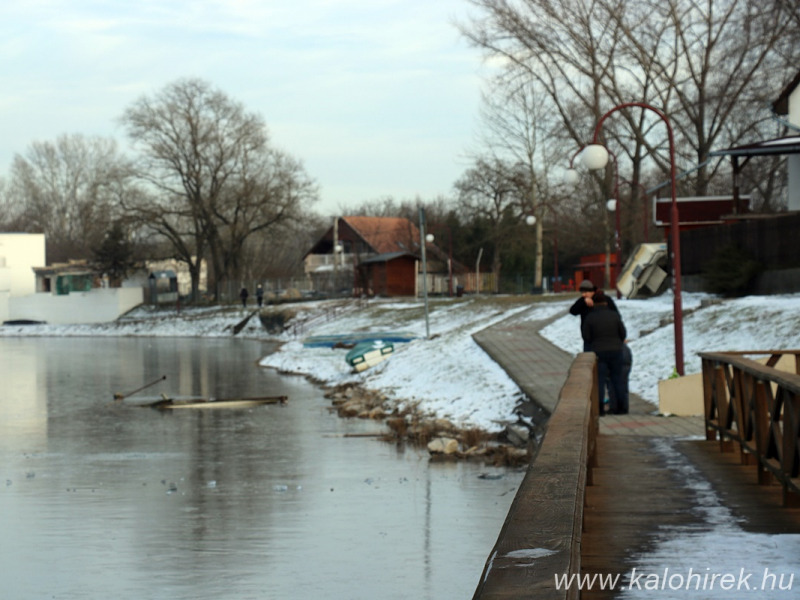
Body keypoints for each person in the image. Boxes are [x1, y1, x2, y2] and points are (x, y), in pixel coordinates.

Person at [581, 292, 628, 416]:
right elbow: (623, 333)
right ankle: (621, 408)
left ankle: (600, 409)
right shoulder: (614, 315)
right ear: (606, 303)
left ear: (594, 304)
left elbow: (586, 336)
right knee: (617, 379)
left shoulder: (590, 317)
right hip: (616, 351)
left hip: (599, 352)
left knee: (599, 381)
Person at [569, 279, 619, 351]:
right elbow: (573, 311)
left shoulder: (605, 299)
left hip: (605, 338)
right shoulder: (583, 300)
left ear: (592, 291)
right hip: (589, 339)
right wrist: (583, 302)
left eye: (585, 292)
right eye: (582, 292)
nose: (583, 294)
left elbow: (616, 315)